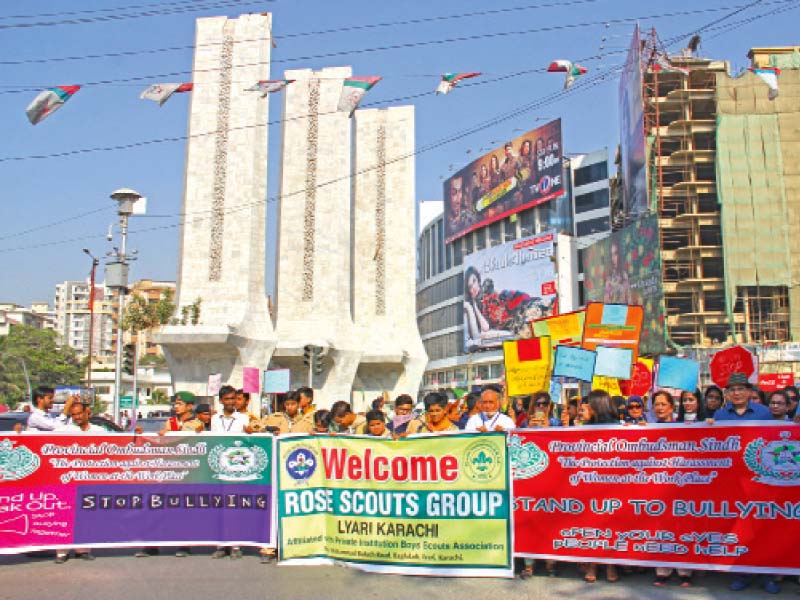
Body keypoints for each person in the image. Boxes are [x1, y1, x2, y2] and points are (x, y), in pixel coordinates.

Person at [576, 390, 619, 583]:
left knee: (610, 525)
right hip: (589, 482)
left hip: (612, 484)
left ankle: (611, 565)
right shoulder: (584, 426)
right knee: (591, 524)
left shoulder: (617, 426)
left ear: (596, 405)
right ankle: (592, 563)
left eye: (587, 404)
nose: (584, 407)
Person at [55, 401, 101, 564]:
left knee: (86, 515)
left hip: (89, 479)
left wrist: (136, 434)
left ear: (87, 412)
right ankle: (62, 551)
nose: (76, 417)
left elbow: (117, 444)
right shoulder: (64, 431)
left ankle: (83, 549)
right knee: (65, 515)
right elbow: (40, 439)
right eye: (73, 415)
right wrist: (19, 434)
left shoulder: (99, 431)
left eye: (79, 414)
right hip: (68, 479)